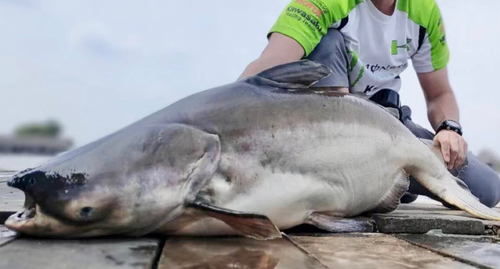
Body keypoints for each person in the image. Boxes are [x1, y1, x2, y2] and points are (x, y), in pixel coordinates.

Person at [238, 0, 500, 207]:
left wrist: (449, 128)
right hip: (326, 134)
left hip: (386, 128)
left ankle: (391, 184)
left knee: (486, 190)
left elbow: (440, 94)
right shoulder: (325, 2)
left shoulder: (424, 11)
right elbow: (263, 72)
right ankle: (347, 181)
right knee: (327, 41)